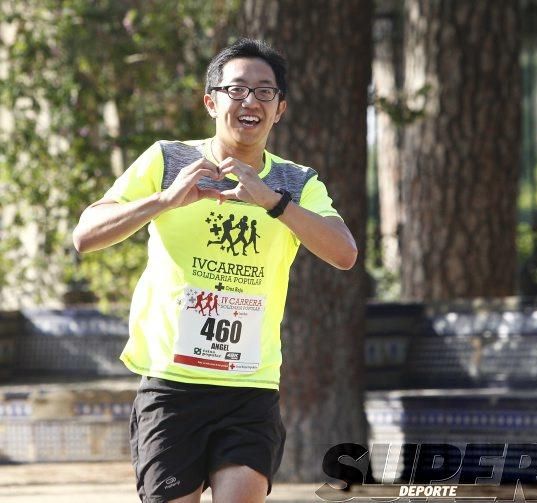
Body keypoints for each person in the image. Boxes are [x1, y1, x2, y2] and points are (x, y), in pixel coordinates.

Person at [73, 38, 357, 503]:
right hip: (172, 384)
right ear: (212, 101)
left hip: (249, 385)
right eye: (237, 89)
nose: (251, 101)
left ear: (280, 109)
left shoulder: (296, 181)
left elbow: (344, 253)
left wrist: (272, 201)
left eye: (266, 92)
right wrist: (164, 200)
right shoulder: (168, 160)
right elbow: (86, 236)